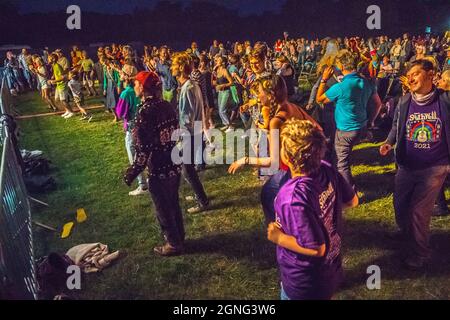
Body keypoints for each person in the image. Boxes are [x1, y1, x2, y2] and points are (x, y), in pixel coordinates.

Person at [267, 119, 357, 300]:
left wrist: (278, 237)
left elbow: (316, 249)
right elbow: (352, 201)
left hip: (305, 281)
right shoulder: (326, 168)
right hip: (329, 269)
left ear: (288, 156)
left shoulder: (292, 197)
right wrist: (323, 209)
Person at [379, 59, 450, 269]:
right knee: (400, 207)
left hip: (434, 168)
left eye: (415, 74)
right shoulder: (404, 101)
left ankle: (421, 253)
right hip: (406, 166)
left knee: (419, 211)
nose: (410, 78)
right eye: (408, 75)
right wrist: (388, 143)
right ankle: (407, 234)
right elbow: (395, 126)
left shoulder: (445, 101)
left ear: (430, 75)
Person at [229, 75, 321, 224]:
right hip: (308, 165)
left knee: (269, 195)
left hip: (291, 170)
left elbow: (274, 161)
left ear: (270, 95)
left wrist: (245, 160)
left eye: (259, 92)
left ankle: (282, 228)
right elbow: (318, 129)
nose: (257, 96)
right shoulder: (293, 107)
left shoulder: (276, 121)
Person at [124, 71, 184, 256]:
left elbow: (143, 148)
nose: (134, 87)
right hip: (174, 164)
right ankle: (179, 237)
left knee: (163, 208)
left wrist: (132, 171)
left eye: (135, 84)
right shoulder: (166, 105)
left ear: (142, 87)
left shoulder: (144, 112)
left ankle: (173, 244)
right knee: (173, 203)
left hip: (159, 168)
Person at [316, 49, 381, 190]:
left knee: (341, 163)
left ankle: (350, 193)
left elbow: (319, 98)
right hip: (361, 126)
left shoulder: (340, 87)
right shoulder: (366, 81)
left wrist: (324, 80)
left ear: (341, 65)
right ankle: (337, 183)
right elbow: (378, 103)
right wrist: (371, 121)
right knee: (342, 155)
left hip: (345, 130)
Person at [171, 52, 210, 214]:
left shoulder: (188, 88)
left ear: (180, 68)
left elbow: (186, 117)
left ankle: (203, 201)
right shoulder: (192, 84)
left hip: (190, 133)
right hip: (196, 131)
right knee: (189, 168)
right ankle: (200, 196)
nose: (171, 68)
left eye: (173, 65)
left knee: (187, 168)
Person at [48, 53, 74, 118]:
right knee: (57, 99)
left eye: (49, 58)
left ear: (53, 59)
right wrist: (53, 77)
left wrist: (54, 81)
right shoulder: (54, 66)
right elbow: (58, 74)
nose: (48, 59)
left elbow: (63, 77)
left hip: (62, 85)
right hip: (58, 85)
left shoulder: (57, 66)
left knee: (63, 100)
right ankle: (67, 110)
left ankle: (71, 112)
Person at [213, 55, 235, 132]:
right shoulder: (218, 70)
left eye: (218, 60)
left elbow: (232, 82)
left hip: (226, 91)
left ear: (223, 62)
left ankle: (230, 126)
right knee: (219, 110)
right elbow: (216, 82)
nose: (216, 61)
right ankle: (226, 124)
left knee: (222, 110)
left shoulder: (225, 70)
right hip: (220, 92)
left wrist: (223, 85)